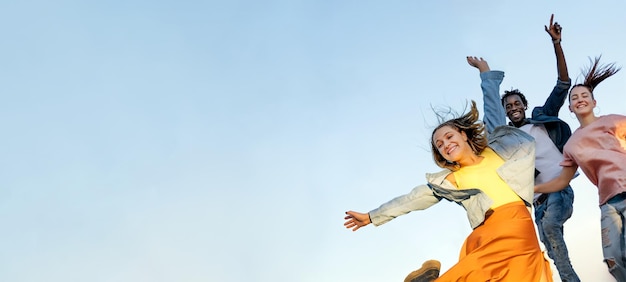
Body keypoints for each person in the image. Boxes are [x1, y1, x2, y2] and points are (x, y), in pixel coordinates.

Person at [343, 86, 553, 280]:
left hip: (519, 223)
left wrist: (487, 75)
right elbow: (412, 199)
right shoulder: (452, 179)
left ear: (463, 134)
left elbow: (492, 109)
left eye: (449, 136)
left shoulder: (496, 149)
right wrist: (373, 216)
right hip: (490, 229)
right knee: (482, 272)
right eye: (440, 145)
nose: (446, 144)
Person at [466, 14, 580, 282]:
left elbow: (563, 84)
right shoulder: (508, 140)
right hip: (537, 200)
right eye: (509, 106)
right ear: (506, 112)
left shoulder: (541, 119)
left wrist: (557, 44)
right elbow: (491, 118)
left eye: (517, 104)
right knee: (552, 250)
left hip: (560, 190)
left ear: (524, 106)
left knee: (552, 226)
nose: (514, 108)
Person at [535, 56, 625, 281]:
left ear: (594, 102)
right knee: (614, 260)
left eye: (585, 95)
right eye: (575, 97)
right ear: (570, 107)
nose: (580, 99)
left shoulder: (614, 121)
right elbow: (561, 181)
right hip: (608, 204)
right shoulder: (572, 144)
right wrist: (531, 190)